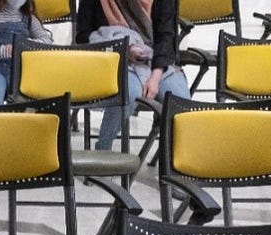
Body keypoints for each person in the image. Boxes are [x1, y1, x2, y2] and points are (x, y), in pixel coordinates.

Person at [76, 0, 188, 150]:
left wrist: (155, 77)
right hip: (116, 59)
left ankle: (175, 164)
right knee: (129, 92)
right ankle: (103, 149)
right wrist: (123, 46)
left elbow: (166, 38)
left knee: (179, 100)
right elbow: (83, 35)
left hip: (157, 61)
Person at [0, 0, 53, 105]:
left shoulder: (29, 19)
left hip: (19, 71)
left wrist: (24, 45)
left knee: (30, 103)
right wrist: (1, 51)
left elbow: (47, 41)